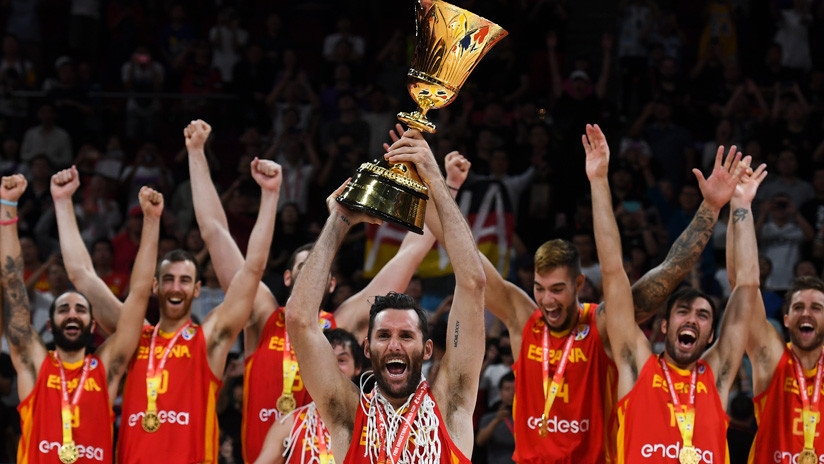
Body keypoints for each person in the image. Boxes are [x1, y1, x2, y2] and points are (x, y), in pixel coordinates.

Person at [425, 141, 742, 461]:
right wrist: (431, 182)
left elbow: (671, 270)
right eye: (539, 288)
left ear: (579, 284)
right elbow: (463, 255)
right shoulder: (523, 318)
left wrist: (711, 207)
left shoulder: (602, 324)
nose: (547, 301)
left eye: (557, 289)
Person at [183, 119, 469, 463]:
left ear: (330, 282)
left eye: (317, 271)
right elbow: (216, 236)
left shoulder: (343, 322)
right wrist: (196, 153)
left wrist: (448, 186)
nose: (311, 277)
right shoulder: (262, 315)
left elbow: (411, 253)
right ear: (288, 278)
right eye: (302, 270)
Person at [52, 156, 280, 463]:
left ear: (197, 289)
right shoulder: (133, 336)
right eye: (169, 279)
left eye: (185, 280)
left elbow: (252, 269)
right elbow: (82, 275)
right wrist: (63, 201)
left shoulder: (209, 339)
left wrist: (270, 195)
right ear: (156, 286)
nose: (175, 287)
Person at [285, 128, 485, 463]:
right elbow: (300, 321)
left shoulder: (450, 404)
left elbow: (473, 283)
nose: (394, 345)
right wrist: (340, 219)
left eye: (406, 336)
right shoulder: (348, 416)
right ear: (367, 348)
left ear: (426, 349)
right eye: (384, 335)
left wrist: (435, 179)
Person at [585, 122, 759, 462]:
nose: (692, 318)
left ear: (710, 336)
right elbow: (613, 272)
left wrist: (741, 205)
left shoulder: (718, 375)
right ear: (664, 326)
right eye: (683, 311)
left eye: (703, 315)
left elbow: (748, 287)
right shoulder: (637, 365)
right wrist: (598, 181)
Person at [2, 172, 160, 464]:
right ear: (50, 325)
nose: (72, 314)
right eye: (63, 310)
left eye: (80, 310)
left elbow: (138, 295)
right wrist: (7, 206)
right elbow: (12, 285)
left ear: (93, 324)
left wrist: (151, 222)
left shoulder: (106, 368)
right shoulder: (35, 365)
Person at [252, 329, 363, 464]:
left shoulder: (373, 421)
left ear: (357, 367)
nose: (333, 367)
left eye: (342, 360)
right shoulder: (290, 424)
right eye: (327, 360)